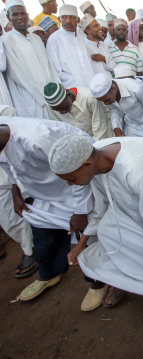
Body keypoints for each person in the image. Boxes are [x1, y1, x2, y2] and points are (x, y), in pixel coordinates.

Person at [48, 134, 143, 317]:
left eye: (72, 180)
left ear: (87, 165)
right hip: (138, 202)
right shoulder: (95, 157)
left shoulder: (136, 171)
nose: (70, 184)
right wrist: (82, 244)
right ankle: (129, 279)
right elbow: (101, 207)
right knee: (106, 231)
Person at [0, 118, 93, 302]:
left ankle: (98, 280)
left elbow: (78, 167)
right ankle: (50, 273)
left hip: (74, 184)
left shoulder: (35, 140)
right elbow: (6, 162)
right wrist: (15, 190)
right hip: (42, 191)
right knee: (42, 232)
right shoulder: (2, 137)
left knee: (89, 234)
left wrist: (80, 210)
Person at [3, 0, 63, 120]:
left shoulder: (36, 38)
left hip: (51, 96)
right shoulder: (7, 40)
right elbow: (18, 74)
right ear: (8, 17)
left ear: (27, 15)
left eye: (22, 13)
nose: (20, 17)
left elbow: (49, 65)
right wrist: (40, 96)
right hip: (30, 98)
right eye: (15, 14)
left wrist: (57, 90)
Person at [0, 105, 35, 278]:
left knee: (11, 217)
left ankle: (31, 250)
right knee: (7, 220)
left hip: (6, 176)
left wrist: (15, 186)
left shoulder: (4, 112)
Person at [46, 4, 96, 88]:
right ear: (59, 19)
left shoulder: (82, 37)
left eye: (72, 17)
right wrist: (73, 84)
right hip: (72, 89)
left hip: (91, 85)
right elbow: (56, 70)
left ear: (78, 20)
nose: (68, 21)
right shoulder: (54, 39)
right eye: (64, 17)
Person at [89, 73, 143, 137]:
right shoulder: (108, 95)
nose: (106, 103)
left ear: (114, 89)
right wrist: (116, 127)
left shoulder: (136, 89)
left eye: (107, 100)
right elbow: (113, 108)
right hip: (132, 125)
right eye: (102, 101)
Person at [44, 82, 113, 141]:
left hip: (105, 137)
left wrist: (94, 147)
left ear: (69, 95)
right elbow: (63, 129)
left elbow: (99, 127)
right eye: (57, 110)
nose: (62, 112)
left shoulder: (89, 97)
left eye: (64, 108)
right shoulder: (52, 106)